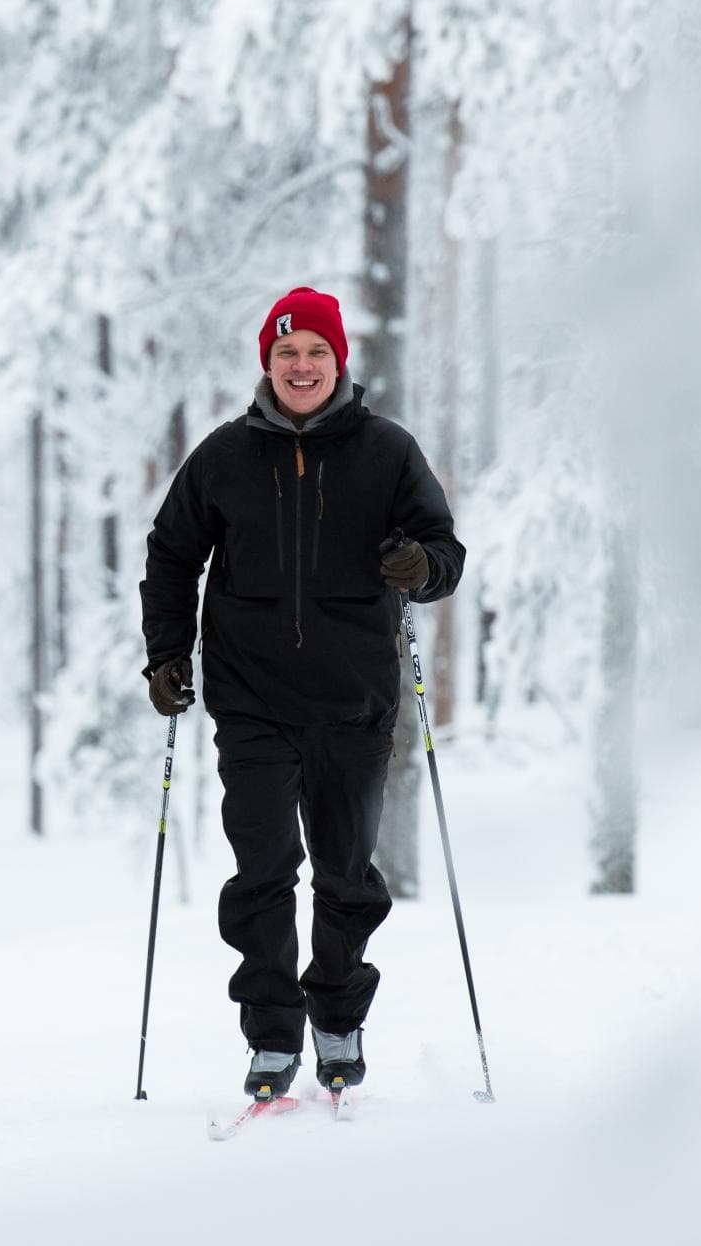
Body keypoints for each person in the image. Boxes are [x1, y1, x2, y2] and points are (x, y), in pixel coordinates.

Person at [139, 287, 465, 1099]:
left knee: (346, 874)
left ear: (338, 361)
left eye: (316, 351)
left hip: (354, 702)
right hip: (252, 700)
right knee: (262, 871)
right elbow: (172, 553)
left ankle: (339, 1018)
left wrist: (419, 566)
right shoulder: (224, 455)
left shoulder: (387, 451)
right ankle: (272, 1035)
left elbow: (443, 552)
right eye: (287, 352)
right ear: (268, 363)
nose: (302, 366)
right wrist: (166, 654)